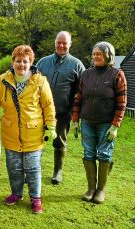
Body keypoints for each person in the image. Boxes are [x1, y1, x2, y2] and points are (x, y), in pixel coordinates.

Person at [0, 45, 56, 214]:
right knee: (13, 167)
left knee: (32, 168)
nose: (21, 64)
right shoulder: (2, 80)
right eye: (18, 61)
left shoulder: (40, 81)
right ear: (12, 62)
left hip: (33, 134)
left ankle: (36, 198)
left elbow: (48, 105)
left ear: (31, 62)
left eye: (25, 61)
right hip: (10, 133)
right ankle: (16, 194)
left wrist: (51, 126)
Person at [72, 41, 127, 204]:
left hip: (106, 124)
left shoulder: (117, 74)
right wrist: (75, 120)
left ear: (108, 55)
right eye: (94, 54)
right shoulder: (87, 74)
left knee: (104, 154)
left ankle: (101, 190)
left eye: (99, 54)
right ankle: (91, 188)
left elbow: (122, 103)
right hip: (87, 122)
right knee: (88, 153)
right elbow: (79, 98)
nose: (96, 56)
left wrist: (115, 126)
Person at [36, 31, 86, 185]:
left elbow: (83, 90)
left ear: (70, 44)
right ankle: (33, 171)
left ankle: (57, 172)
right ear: (55, 42)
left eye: (65, 43)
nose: (61, 45)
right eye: (59, 42)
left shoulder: (77, 65)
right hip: (39, 111)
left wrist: (74, 111)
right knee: (36, 142)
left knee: (59, 142)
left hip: (63, 112)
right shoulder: (42, 62)